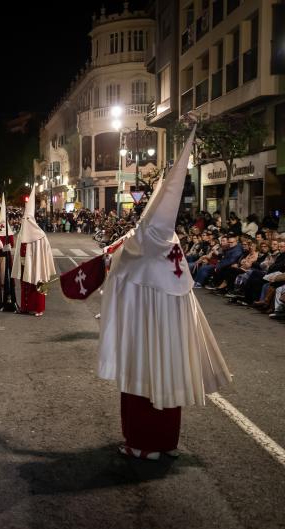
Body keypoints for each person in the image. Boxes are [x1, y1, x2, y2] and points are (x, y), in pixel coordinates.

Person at [98, 128, 232, 460]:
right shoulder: (170, 244)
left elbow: (117, 275)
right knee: (167, 382)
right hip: (171, 339)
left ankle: (142, 444)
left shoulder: (140, 247)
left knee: (142, 386)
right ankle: (165, 443)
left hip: (142, 340)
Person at [13, 186, 56, 316]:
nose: (24, 222)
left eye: (26, 220)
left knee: (36, 286)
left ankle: (38, 308)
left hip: (36, 265)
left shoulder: (40, 235)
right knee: (25, 286)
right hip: (24, 264)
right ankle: (25, 308)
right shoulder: (21, 234)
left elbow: (46, 251)